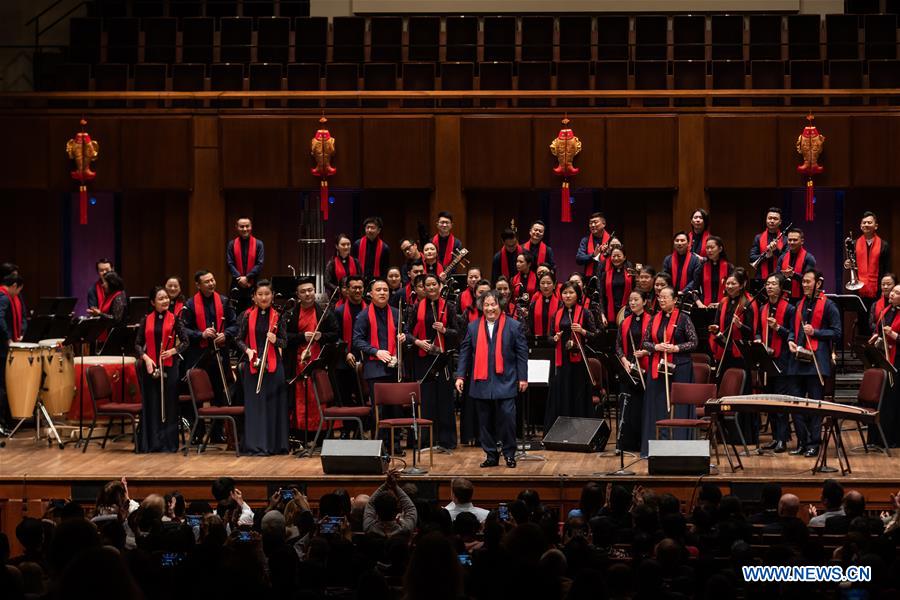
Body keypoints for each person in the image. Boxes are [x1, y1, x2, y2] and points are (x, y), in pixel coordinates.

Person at [455, 291, 528, 468]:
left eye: (493, 304)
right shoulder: (473, 327)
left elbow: (521, 354)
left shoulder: (514, 326)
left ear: (500, 305)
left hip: (506, 380)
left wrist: (523, 377)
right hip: (481, 381)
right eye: (486, 305)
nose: (490, 308)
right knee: (484, 422)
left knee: (508, 419)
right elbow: (465, 353)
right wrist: (460, 376)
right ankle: (491, 455)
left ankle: (510, 454)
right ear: (482, 307)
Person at [787, 270, 841, 457]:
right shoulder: (798, 304)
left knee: (815, 406)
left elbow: (837, 332)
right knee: (796, 405)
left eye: (808, 282)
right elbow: (793, 330)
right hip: (797, 361)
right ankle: (802, 441)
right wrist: (791, 340)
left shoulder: (829, 305)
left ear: (818, 284)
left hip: (816, 362)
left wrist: (816, 332)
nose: (805, 285)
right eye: (803, 282)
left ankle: (814, 443)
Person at [641, 286, 698, 458]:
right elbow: (645, 342)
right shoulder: (654, 318)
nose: (662, 300)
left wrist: (676, 348)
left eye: (666, 297)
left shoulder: (683, 319)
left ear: (675, 300)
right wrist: (656, 346)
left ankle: (680, 448)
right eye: (660, 297)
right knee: (657, 406)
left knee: (678, 408)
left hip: (680, 367)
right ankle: (657, 448)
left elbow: (694, 342)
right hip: (658, 367)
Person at [181, 270, 238, 441]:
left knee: (219, 393)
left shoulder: (224, 301)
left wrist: (226, 334)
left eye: (212, 280)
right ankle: (197, 433)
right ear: (198, 285)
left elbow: (235, 325)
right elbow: (183, 330)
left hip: (219, 355)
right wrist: (201, 334)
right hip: (198, 355)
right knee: (196, 395)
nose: (212, 283)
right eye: (207, 281)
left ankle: (217, 432)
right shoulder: (190, 304)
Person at [353, 279, 408, 453]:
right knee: (380, 410)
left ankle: (396, 444)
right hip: (375, 369)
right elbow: (357, 341)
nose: (383, 292)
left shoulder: (396, 312)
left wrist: (403, 337)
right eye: (379, 290)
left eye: (385, 289)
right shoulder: (363, 315)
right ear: (370, 294)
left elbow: (404, 332)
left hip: (395, 366)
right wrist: (376, 351)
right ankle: (381, 445)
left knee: (397, 408)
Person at [235, 280, 288, 455]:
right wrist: (248, 350)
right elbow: (238, 339)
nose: (264, 297)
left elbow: (285, 342)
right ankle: (256, 445)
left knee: (274, 406)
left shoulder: (279, 316)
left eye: (267, 294)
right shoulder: (246, 315)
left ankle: (274, 445)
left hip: (274, 367)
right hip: (254, 366)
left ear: (273, 296)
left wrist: (276, 340)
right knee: (255, 406)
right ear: (254, 297)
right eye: (260, 294)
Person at [136, 287, 188, 453]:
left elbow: (186, 342)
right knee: (152, 404)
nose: (165, 300)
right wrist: (146, 358)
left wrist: (172, 351)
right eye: (161, 298)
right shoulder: (146, 319)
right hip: (151, 367)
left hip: (170, 367)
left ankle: (168, 444)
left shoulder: (175, 319)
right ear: (153, 302)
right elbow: (137, 344)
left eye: (166, 298)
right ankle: (151, 443)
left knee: (169, 405)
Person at [409, 273, 458, 450]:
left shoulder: (449, 307)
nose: (430, 288)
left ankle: (446, 440)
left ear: (440, 286)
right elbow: (407, 332)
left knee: (445, 400)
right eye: (426, 285)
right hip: (423, 359)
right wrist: (418, 342)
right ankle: (426, 441)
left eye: (433, 284)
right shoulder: (416, 307)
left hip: (442, 358)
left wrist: (444, 330)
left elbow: (458, 333)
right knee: (427, 400)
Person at [708, 268, 757, 443]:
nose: (729, 286)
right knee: (723, 394)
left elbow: (751, 333)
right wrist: (714, 329)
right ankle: (723, 435)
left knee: (740, 394)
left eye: (733, 283)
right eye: (727, 283)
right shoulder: (723, 302)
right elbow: (716, 324)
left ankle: (742, 436)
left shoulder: (748, 303)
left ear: (742, 284)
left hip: (741, 355)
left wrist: (740, 326)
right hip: (724, 354)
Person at [286, 277, 338, 435]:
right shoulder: (290, 314)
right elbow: (285, 337)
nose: (308, 294)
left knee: (318, 396)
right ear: (297, 295)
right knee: (301, 398)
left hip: (319, 362)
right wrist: (302, 337)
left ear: (315, 291)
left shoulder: (325, 312)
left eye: (310, 290)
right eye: (303, 291)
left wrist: (320, 336)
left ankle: (321, 432)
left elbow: (335, 334)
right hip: (298, 362)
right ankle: (301, 432)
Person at [546, 282, 597, 430]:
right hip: (561, 362)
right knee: (562, 394)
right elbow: (549, 337)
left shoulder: (585, 313)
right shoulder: (556, 314)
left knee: (577, 395)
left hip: (578, 362)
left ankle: (580, 431)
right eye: (564, 293)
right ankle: (560, 430)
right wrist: (554, 338)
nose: (567, 296)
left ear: (577, 295)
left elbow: (596, 336)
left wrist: (582, 331)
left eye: (571, 293)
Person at [756, 274, 795, 453]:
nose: (769, 287)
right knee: (769, 401)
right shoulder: (762, 307)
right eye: (767, 284)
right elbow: (757, 331)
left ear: (781, 288)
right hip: (766, 359)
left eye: (773, 284)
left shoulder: (789, 309)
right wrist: (757, 340)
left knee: (780, 403)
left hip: (783, 360)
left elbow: (793, 334)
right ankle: (774, 437)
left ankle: (782, 439)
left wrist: (778, 328)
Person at [616, 291, 651, 453]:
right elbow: (617, 346)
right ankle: (626, 443)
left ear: (644, 302)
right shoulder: (625, 322)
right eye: (630, 300)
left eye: (636, 299)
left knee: (642, 406)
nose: (632, 302)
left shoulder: (652, 321)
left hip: (645, 367)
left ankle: (642, 443)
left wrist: (645, 352)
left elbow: (656, 342)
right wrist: (624, 360)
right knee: (627, 405)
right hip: (628, 367)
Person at [870, 283, 900, 447]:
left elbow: (894, 335)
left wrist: (894, 335)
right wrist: (876, 336)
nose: (892, 294)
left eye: (896, 292)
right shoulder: (886, 311)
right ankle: (876, 438)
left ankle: (891, 439)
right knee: (880, 398)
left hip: (897, 362)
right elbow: (879, 330)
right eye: (893, 291)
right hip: (884, 358)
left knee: (893, 400)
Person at [332, 275, 366, 408]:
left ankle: (365, 426)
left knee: (363, 397)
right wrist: (346, 353)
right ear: (347, 289)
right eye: (354, 288)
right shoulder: (339, 311)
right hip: (345, 360)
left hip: (364, 359)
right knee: (345, 398)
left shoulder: (369, 309)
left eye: (360, 288)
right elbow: (336, 336)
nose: (357, 291)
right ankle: (349, 427)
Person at [850, 211, 891, 316]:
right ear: (860, 226)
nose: (866, 225)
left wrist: (884, 289)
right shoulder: (854, 244)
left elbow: (886, 269)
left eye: (869, 222)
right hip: (859, 290)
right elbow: (852, 266)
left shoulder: (883, 245)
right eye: (864, 223)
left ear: (876, 226)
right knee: (862, 321)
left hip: (877, 291)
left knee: (876, 319)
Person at [0, 274, 26, 433]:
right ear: (14, 285)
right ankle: (1, 424)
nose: (17, 295)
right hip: (1, 349)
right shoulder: (3, 298)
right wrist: (8, 338)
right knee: (2, 386)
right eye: (18, 290)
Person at [226, 217, 265, 314]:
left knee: (253, 313)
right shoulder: (231, 244)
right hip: (236, 284)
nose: (244, 229)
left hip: (253, 284)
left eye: (247, 226)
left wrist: (247, 278)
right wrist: (240, 278)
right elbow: (229, 263)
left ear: (251, 227)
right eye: (241, 226)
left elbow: (260, 264)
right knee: (235, 314)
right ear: (236, 227)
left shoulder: (259, 244)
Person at [692, 236, 733, 309]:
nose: (709, 250)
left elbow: (734, 291)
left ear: (720, 249)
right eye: (707, 248)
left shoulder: (729, 268)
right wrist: (700, 304)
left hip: (725, 307)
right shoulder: (701, 268)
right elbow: (694, 291)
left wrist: (721, 303)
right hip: (705, 308)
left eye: (712, 247)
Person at [598, 246, 633, 326]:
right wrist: (602, 314)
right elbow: (601, 296)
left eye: (619, 256)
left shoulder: (630, 273)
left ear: (624, 257)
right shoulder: (605, 275)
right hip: (609, 314)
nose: (616, 258)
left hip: (627, 311)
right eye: (613, 256)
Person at [779, 228, 816, 302]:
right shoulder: (782, 257)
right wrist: (783, 275)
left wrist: (793, 275)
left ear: (802, 241)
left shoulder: (809, 258)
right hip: (783, 297)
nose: (792, 242)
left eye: (795, 240)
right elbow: (777, 277)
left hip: (802, 298)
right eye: (789, 240)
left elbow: (809, 280)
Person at [749, 207, 785, 282]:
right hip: (760, 277)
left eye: (775, 219)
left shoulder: (785, 239)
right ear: (766, 220)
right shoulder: (758, 237)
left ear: (780, 222)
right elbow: (752, 258)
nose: (772, 221)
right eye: (770, 218)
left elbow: (786, 260)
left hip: (779, 279)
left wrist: (775, 251)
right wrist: (766, 256)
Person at [575, 212, 611, 278]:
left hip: (608, 277)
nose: (593, 225)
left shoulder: (611, 240)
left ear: (604, 224)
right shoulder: (585, 240)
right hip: (590, 278)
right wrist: (593, 255)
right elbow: (578, 258)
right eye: (590, 223)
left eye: (595, 222)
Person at [528, 271, 560, 339]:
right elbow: (530, 326)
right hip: (537, 342)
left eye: (549, 283)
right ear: (539, 285)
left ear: (554, 285)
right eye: (542, 283)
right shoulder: (533, 305)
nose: (545, 286)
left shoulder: (560, 305)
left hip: (555, 341)